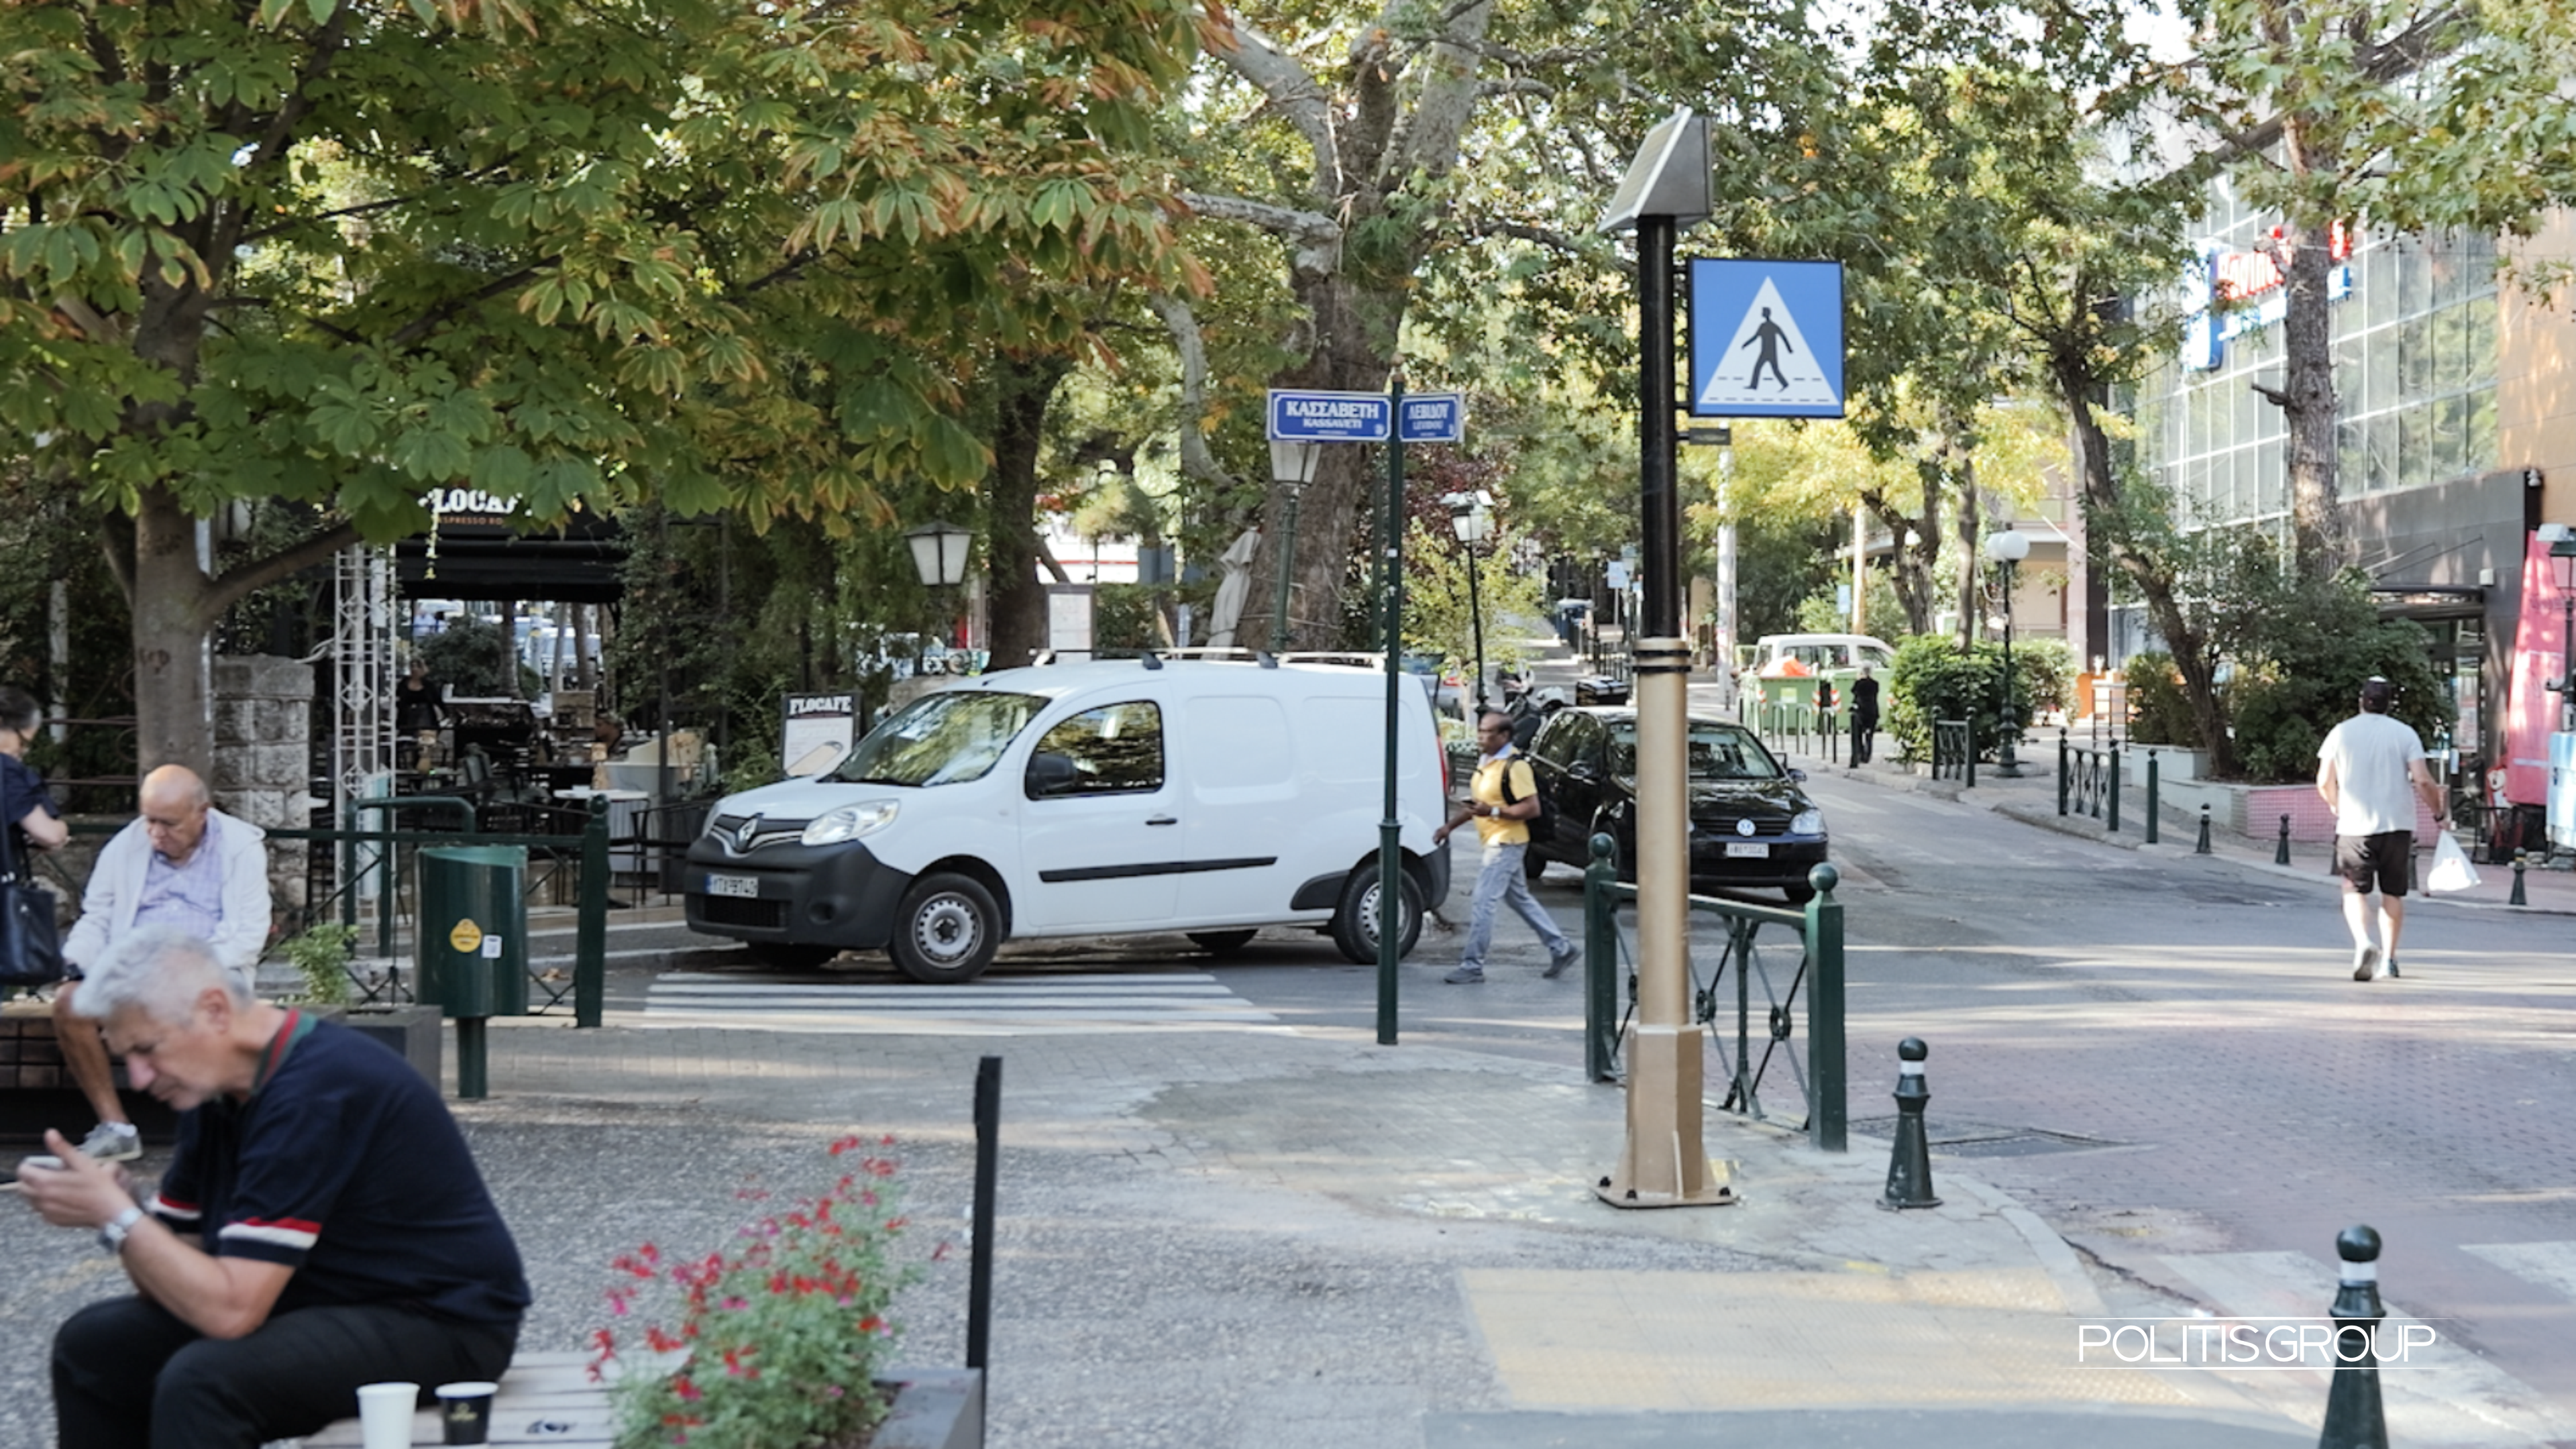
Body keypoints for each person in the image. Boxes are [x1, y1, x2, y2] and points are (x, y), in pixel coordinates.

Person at [18, 927, 528, 1449]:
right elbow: (168, 1286)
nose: (141, 1079)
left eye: (147, 1050)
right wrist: (126, 1211)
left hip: (442, 1321)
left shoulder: (316, 1090)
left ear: (215, 1010)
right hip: (326, 1298)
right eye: (128, 1057)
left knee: (205, 1383)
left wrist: (120, 1219)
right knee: (93, 1346)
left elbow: (230, 1313)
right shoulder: (216, 1089)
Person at [54, 765, 271, 1162]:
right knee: (70, 1001)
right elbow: (97, 918)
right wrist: (76, 961)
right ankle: (116, 1128)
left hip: (208, 972)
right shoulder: (126, 844)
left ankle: (221, 1132)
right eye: (149, 820)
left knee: (211, 1009)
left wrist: (177, 972)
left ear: (201, 813)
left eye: (168, 823)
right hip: (132, 973)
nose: (155, 833)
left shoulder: (240, 848)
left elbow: (246, 939)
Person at [1432, 711, 1578, 985]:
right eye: (1480, 731)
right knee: (1519, 898)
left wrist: (1494, 811)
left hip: (1506, 843)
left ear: (1504, 736)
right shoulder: (1486, 763)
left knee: (1483, 902)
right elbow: (1478, 805)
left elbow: (1531, 808)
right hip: (1497, 841)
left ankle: (1472, 965)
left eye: (1487, 732)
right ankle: (1561, 948)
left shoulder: (1516, 766)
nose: (1481, 737)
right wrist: (1449, 827)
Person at [2316, 676, 2443, 982]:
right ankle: (2389, 960)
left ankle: (2363, 943)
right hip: (2397, 825)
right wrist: (2438, 812)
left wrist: (2336, 804)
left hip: (2354, 825)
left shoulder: (2340, 732)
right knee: (2393, 893)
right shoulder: (2405, 733)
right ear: (2389, 703)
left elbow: (2323, 780)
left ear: (2361, 700)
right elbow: (2422, 780)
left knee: (2354, 891)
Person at [1, 684, 70, 864]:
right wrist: (61, 829)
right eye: (22, 742)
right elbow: (49, 835)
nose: (22, 752)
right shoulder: (5, 768)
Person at [1848, 665, 1882, 765]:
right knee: (1869, 736)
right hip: (1872, 711)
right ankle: (1868, 755)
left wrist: (1858, 678)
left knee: (1858, 735)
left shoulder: (1859, 683)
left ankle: (1860, 754)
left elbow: (1853, 691)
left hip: (1861, 711)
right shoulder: (1875, 684)